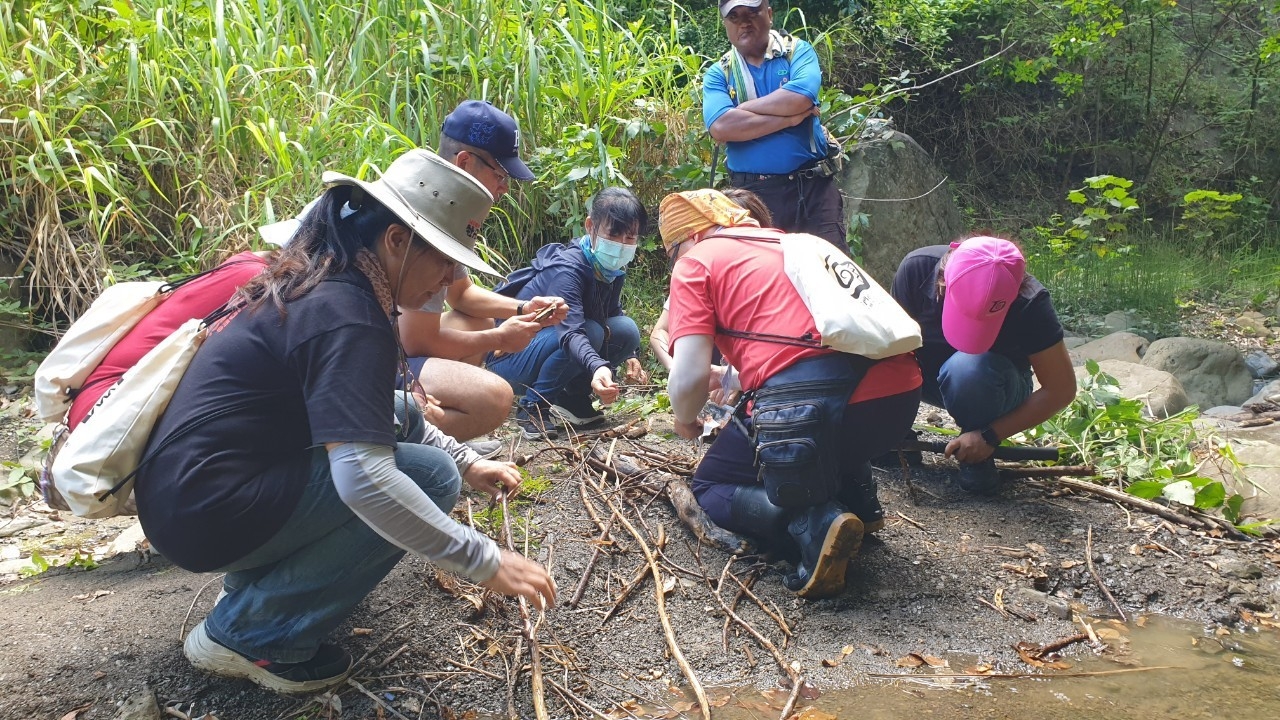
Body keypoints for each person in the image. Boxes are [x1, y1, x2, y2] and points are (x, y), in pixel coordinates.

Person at [137, 149, 556, 694]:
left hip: (192, 495)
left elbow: (388, 409)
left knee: (432, 454)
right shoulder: (347, 315)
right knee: (428, 478)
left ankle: (257, 586)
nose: (450, 278)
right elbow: (363, 478)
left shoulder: (333, 279)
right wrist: (482, 559)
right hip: (205, 511)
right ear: (397, 240)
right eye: (446, 261)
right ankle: (251, 632)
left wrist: (469, 460)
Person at [659, 189, 921, 599]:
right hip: (898, 400)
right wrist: (730, 376)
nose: (675, 261)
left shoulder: (696, 262)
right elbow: (811, 339)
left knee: (710, 487)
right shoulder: (793, 242)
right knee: (824, 418)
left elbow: (688, 376)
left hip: (820, 409)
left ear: (689, 237)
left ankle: (815, 522)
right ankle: (860, 502)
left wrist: (684, 417)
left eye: (672, 251)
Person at [396, 101, 569, 444]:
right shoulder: (423, 218)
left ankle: (437, 427)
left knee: (476, 319)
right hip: (373, 357)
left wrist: (523, 308)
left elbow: (460, 294)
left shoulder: (447, 208)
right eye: (501, 175)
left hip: (388, 347)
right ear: (463, 163)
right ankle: (414, 432)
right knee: (494, 398)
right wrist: (500, 339)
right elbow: (415, 341)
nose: (504, 187)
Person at [890, 237, 1076, 494]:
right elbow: (892, 349)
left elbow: (1061, 389)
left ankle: (975, 451)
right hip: (926, 375)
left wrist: (989, 435)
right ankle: (895, 435)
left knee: (969, 367)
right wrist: (891, 423)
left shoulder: (1030, 302)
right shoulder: (917, 270)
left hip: (995, 385)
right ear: (943, 282)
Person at [487, 188, 649, 440]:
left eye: (629, 238)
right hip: (509, 360)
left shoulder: (610, 270)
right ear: (590, 226)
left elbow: (612, 312)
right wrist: (598, 367)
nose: (620, 245)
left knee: (626, 330)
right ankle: (533, 407)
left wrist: (632, 355)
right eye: (612, 234)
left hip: (548, 346)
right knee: (590, 331)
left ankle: (571, 398)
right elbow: (570, 332)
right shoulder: (568, 269)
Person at [703, 0, 848, 252]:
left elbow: (801, 96)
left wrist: (741, 110)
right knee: (763, 279)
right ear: (726, 25)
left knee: (831, 272)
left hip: (813, 188)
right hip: (754, 196)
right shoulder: (720, 73)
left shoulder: (797, 52)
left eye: (752, 13)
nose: (744, 22)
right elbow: (721, 126)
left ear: (769, 14)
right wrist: (789, 119)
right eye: (734, 17)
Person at [649, 187, 771, 372]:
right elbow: (660, 331)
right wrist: (677, 368)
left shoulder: (766, 270)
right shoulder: (697, 274)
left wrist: (735, 380)